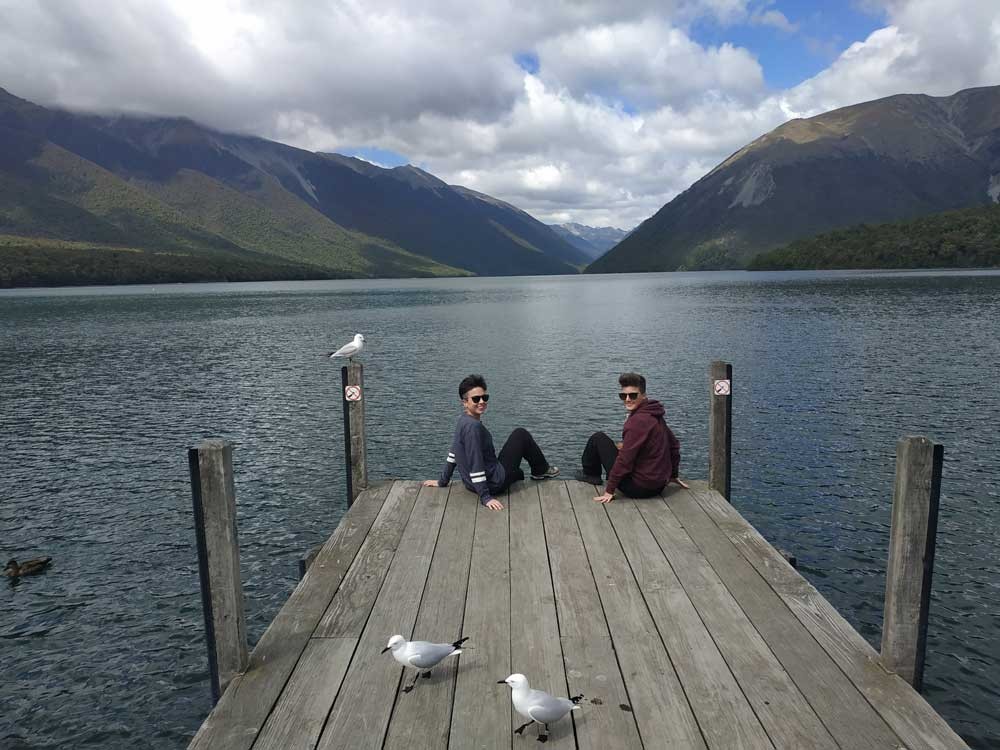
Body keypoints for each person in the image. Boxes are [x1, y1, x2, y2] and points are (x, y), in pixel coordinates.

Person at [423, 375, 559, 511]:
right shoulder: (473, 427)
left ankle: (525, 473)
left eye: (484, 397)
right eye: (476, 399)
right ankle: (540, 470)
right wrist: (485, 497)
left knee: (518, 473)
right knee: (520, 434)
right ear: (464, 402)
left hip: (471, 484)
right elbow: (475, 463)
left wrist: (443, 481)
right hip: (493, 484)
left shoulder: (463, 420)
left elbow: (454, 452)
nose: (481, 401)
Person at [575, 372, 687, 503]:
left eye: (633, 395)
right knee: (620, 446)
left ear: (644, 396)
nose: (627, 399)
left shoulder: (637, 422)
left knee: (598, 438)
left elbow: (625, 460)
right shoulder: (654, 414)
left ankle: (591, 475)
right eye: (623, 395)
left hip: (637, 488)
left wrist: (609, 490)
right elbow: (673, 445)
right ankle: (593, 475)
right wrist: (673, 474)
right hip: (659, 486)